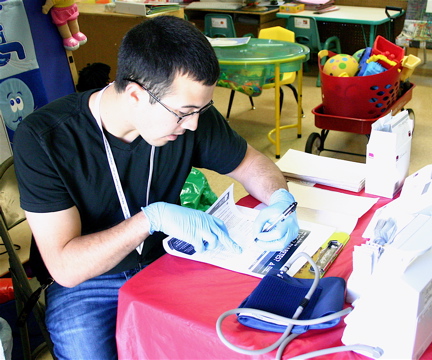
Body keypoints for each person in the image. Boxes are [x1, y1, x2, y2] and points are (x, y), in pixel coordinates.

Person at [13, 15, 299, 360]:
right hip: (90, 280)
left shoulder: (191, 117)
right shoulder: (45, 138)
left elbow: (253, 163)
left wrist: (280, 200)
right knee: (86, 353)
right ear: (135, 94)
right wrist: (150, 219)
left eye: (201, 109)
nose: (193, 123)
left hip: (171, 257)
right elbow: (66, 267)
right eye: (184, 112)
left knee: (227, 335)